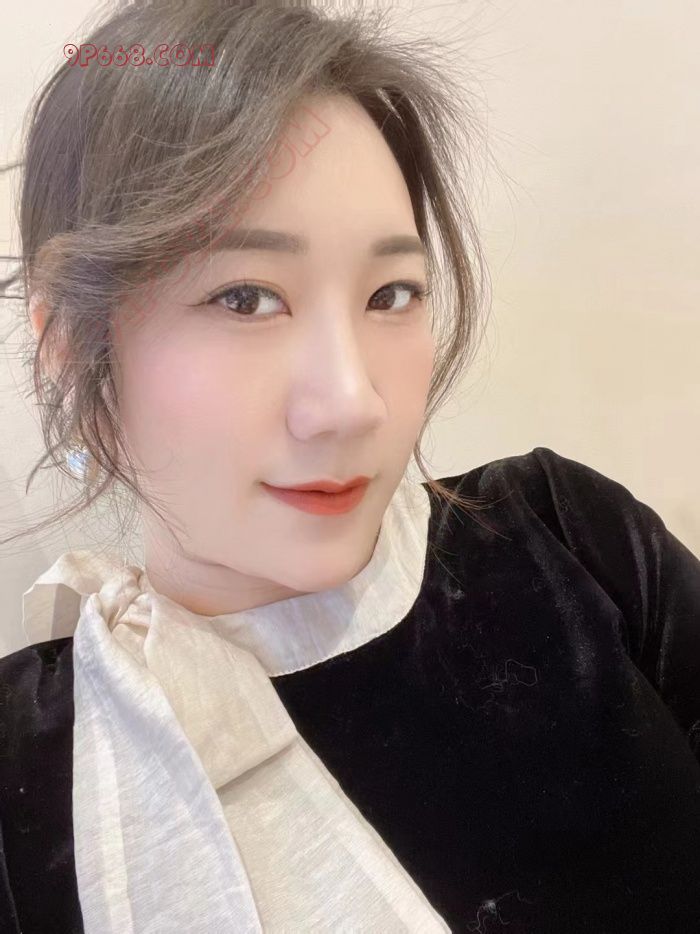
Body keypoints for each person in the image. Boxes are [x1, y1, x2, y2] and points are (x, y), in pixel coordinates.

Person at [1, 2, 699, 932]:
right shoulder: (25, 764)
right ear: (67, 343)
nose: (353, 402)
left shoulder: (569, 540)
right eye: (245, 298)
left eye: (391, 293)